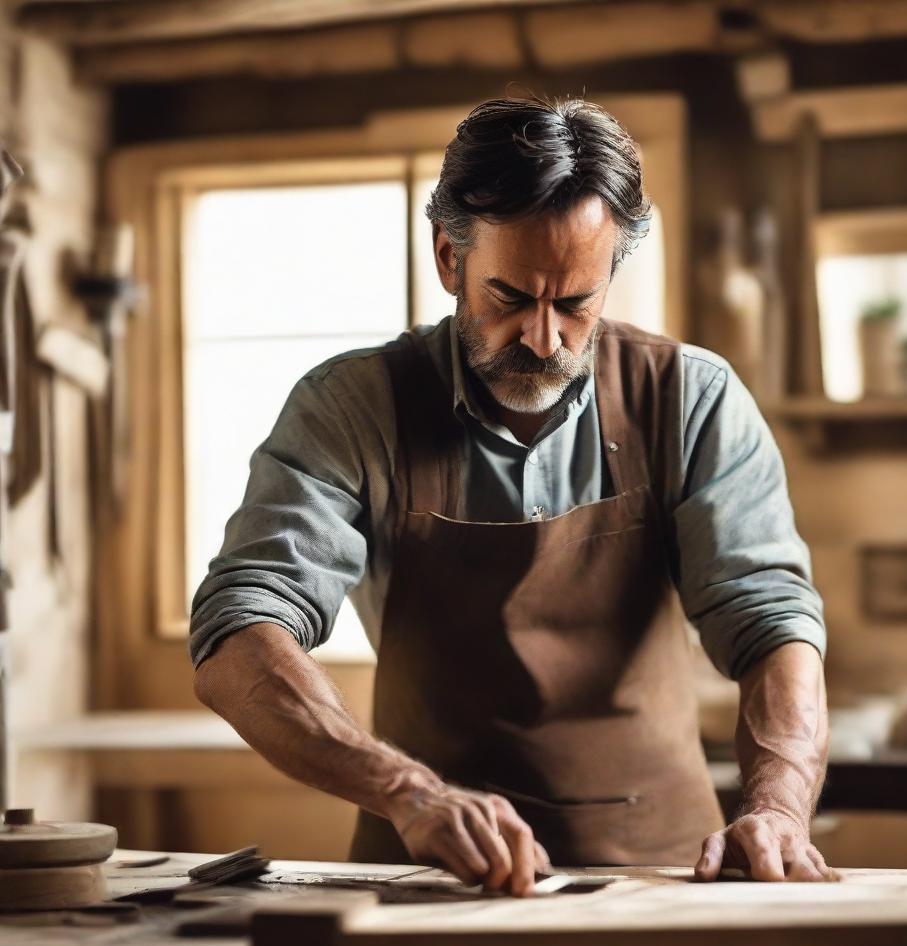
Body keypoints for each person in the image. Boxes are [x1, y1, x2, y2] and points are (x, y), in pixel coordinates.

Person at [190, 95, 831, 897]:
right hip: (425, 873)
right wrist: (410, 793)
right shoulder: (352, 407)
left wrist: (779, 809)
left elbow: (772, 618)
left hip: (663, 873)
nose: (543, 338)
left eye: (574, 304)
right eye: (510, 298)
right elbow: (238, 633)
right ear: (449, 260)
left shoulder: (688, 399)